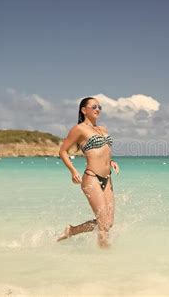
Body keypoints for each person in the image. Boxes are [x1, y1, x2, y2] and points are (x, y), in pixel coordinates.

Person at [56, 96, 120, 249]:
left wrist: (111, 161)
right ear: (84, 110)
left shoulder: (102, 129)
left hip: (107, 178)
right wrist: (73, 171)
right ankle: (104, 261)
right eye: (94, 107)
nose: (98, 109)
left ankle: (72, 230)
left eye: (99, 107)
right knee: (103, 224)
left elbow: (103, 151)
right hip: (91, 177)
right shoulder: (79, 129)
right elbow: (63, 151)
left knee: (108, 223)